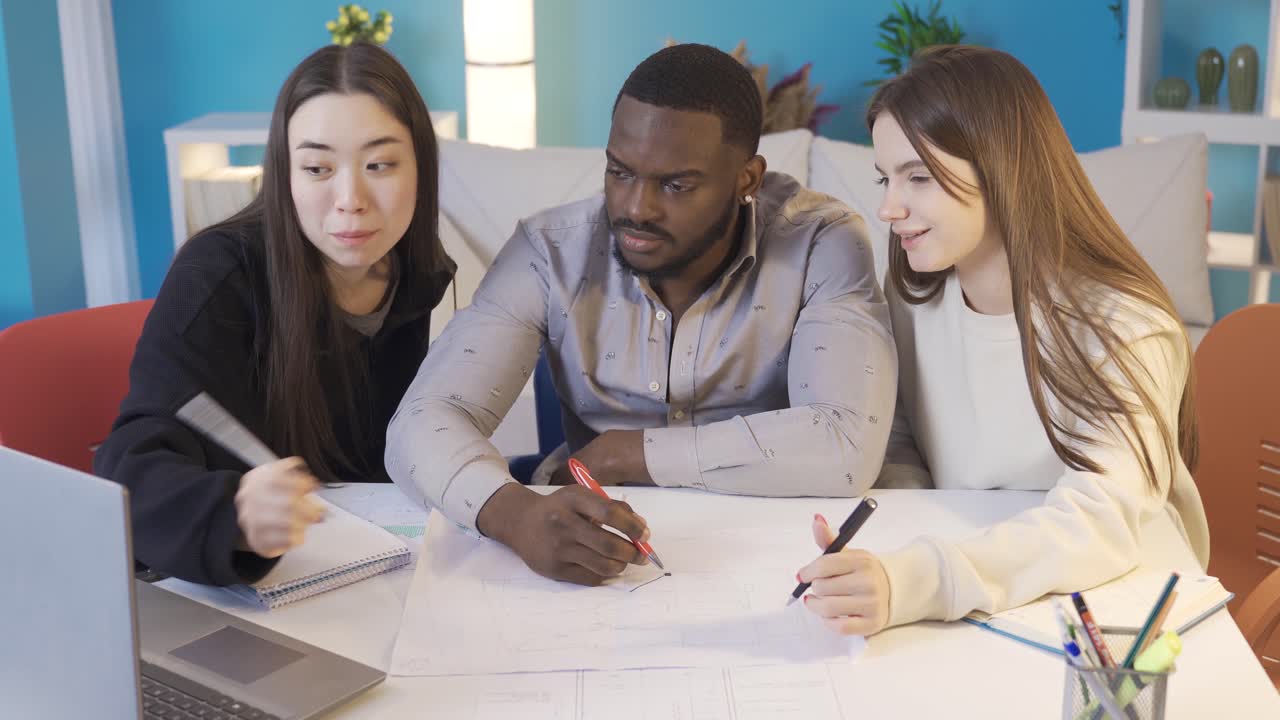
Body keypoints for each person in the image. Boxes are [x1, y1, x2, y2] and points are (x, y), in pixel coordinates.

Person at [386, 43, 896, 587]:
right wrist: (515, 516)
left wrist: (632, 453)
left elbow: (846, 444)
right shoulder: (548, 250)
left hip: (772, 553)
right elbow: (418, 424)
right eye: (620, 172)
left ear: (747, 179)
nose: (635, 208)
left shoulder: (822, 241)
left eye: (676, 185)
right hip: (593, 560)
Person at [795, 46, 1210, 636]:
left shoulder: (1124, 325)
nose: (888, 207)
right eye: (886, 178)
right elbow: (904, 438)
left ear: (1002, 168)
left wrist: (917, 577)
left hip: (1120, 609)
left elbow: (1102, 519)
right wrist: (888, 545)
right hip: (981, 588)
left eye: (918, 177)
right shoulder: (916, 297)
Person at [94, 43, 454, 586]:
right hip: (214, 590)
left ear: (421, 168)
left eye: (379, 164)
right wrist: (234, 515)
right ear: (285, 175)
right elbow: (127, 471)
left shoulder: (414, 274)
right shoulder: (217, 277)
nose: (351, 198)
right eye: (317, 168)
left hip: (350, 571)